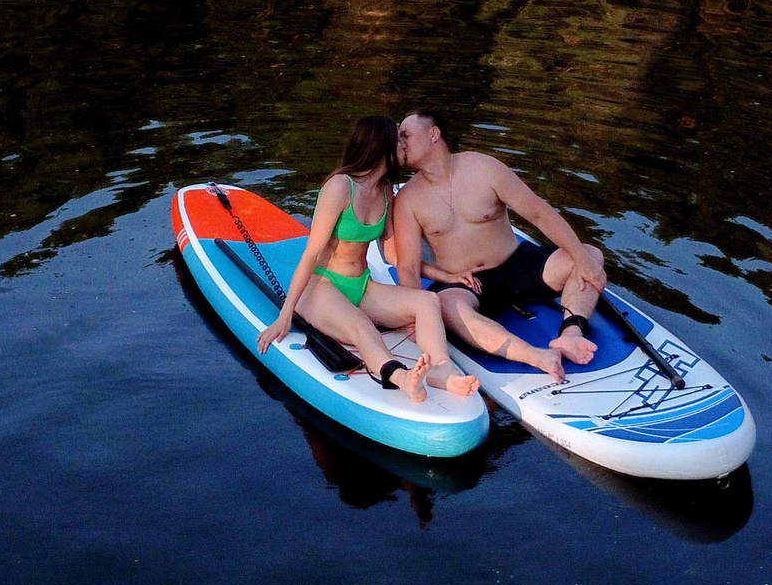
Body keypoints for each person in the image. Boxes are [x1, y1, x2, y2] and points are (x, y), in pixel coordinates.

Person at [254, 116, 481, 404]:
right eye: (399, 140)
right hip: (322, 286)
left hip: (362, 285)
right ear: (381, 146)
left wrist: (445, 276)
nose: (404, 146)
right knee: (363, 327)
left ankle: (441, 369)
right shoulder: (340, 187)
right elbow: (311, 254)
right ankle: (402, 379)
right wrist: (285, 315)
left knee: (427, 302)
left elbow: (393, 256)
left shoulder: (386, 192)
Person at [390, 110, 608, 385]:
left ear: (434, 134)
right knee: (441, 306)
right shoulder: (408, 199)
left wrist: (581, 259)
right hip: (463, 282)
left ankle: (571, 334)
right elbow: (408, 265)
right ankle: (535, 355)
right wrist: (416, 321)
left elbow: (539, 213)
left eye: (406, 134)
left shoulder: (484, 168)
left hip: (515, 264)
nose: (401, 143)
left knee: (589, 254)